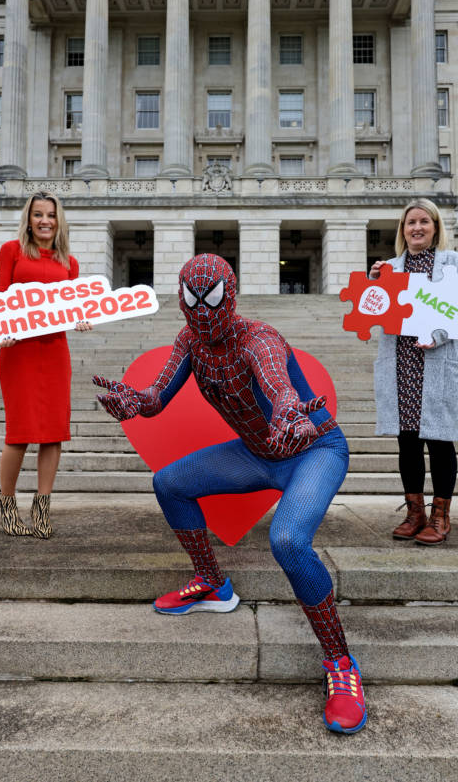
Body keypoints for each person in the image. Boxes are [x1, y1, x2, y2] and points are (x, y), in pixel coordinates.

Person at [94, 253, 367, 735]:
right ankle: (212, 582)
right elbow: (158, 399)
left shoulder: (257, 338)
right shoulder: (190, 342)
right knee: (169, 482)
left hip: (313, 448)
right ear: (180, 300)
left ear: (231, 294)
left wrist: (289, 413)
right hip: (256, 451)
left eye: (212, 299)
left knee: (287, 541)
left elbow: (277, 385)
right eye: (192, 301)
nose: (202, 311)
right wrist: (134, 402)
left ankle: (340, 664)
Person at [369, 198, 458, 545]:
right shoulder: (391, 268)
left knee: (441, 443)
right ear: (403, 230)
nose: (417, 228)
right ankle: (415, 514)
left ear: (435, 227)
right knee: (408, 444)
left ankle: (440, 517)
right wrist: (373, 287)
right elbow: (375, 314)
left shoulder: (453, 262)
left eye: (423, 222)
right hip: (402, 364)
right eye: (410, 223)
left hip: (437, 363)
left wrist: (439, 335)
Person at [0, 191, 91, 538]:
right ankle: (5, 507)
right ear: (29, 219)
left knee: (53, 433)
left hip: (54, 352)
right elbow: (0, 296)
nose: (45, 221)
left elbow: (73, 308)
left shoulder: (70, 263)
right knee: (19, 432)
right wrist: (1, 328)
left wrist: (81, 318)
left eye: (50, 215)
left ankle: (42, 509)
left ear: (58, 220)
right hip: (19, 351)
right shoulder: (12, 251)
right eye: (38, 215)